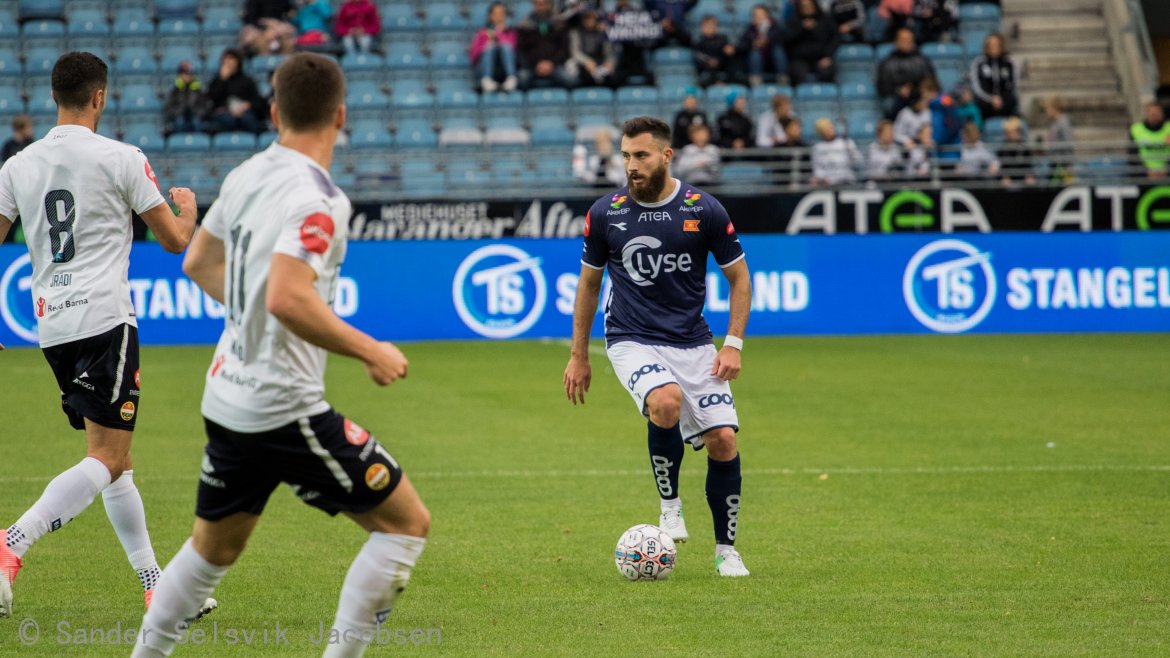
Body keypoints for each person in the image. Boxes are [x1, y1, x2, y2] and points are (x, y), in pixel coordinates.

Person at [132, 53, 429, 657]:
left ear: (273, 112)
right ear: (341, 116)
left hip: (227, 394)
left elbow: (196, 262)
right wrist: (370, 350)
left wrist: (248, 311)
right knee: (405, 525)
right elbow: (290, 298)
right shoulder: (320, 198)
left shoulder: (246, 172)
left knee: (213, 550)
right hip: (281, 406)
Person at [0, 51, 200, 620]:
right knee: (108, 458)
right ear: (101, 97)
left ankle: (154, 584)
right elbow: (175, 241)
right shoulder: (122, 157)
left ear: (53, 97)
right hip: (105, 320)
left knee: (117, 457)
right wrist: (186, 207)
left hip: (53, 326)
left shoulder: (18, 165)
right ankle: (12, 542)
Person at [563, 116, 752, 578]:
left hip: (693, 342)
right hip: (631, 338)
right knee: (664, 402)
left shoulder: (703, 209)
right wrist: (579, 354)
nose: (631, 165)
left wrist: (732, 345)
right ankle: (670, 506)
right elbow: (589, 286)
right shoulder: (605, 213)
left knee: (723, 440)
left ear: (667, 156)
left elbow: (739, 278)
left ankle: (726, 551)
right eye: (626, 156)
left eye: (641, 155)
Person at [876, 27, 935, 119]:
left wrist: (922, 92)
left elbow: (932, 82)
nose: (907, 43)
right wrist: (898, 91)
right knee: (888, 103)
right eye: (904, 40)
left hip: (920, 96)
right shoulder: (887, 63)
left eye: (910, 40)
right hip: (897, 98)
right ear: (896, 42)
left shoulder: (922, 61)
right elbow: (882, 87)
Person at [517, 0, 575, 89]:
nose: (540, 7)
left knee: (570, 80)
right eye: (537, 4)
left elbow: (564, 48)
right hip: (532, 66)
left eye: (543, 4)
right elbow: (521, 50)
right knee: (522, 79)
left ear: (549, 4)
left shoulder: (559, 23)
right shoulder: (525, 25)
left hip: (555, 65)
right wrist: (536, 64)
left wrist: (551, 63)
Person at [205, 49, 264, 134]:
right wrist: (222, 80)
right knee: (227, 121)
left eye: (231, 58)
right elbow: (211, 99)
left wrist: (248, 105)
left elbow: (257, 100)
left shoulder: (247, 80)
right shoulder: (216, 81)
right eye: (226, 59)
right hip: (224, 113)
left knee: (249, 120)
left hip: (244, 112)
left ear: (238, 61)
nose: (228, 62)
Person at [470, 2, 520, 92]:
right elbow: (474, 56)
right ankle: (487, 80)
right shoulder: (482, 33)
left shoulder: (511, 32)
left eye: (502, 13)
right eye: (496, 13)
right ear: (490, 16)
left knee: (505, 46)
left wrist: (499, 34)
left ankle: (511, 78)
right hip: (486, 69)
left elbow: (514, 50)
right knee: (490, 47)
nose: (499, 16)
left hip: (505, 69)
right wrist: (487, 46)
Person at [785, 0, 837, 84]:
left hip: (821, 57)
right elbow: (787, 39)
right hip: (799, 59)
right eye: (804, 6)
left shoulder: (825, 19)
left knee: (827, 72)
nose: (807, 8)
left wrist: (827, 56)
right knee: (796, 73)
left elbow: (834, 38)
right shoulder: (794, 20)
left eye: (809, 6)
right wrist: (801, 28)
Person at [969, 34, 1020, 119]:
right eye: (990, 45)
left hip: (1005, 102)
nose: (993, 47)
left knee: (1013, 101)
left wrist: (1002, 99)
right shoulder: (978, 63)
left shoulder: (1010, 62)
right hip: (986, 102)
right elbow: (977, 87)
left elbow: (1014, 85)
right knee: (978, 105)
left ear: (1001, 45)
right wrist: (991, 99)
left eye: (996, 44)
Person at [738, 4, 788, 87]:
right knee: (755, 51)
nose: (757, 17)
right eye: (755, 15)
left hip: (774, 61)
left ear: (766, 16)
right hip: (755, 62)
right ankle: (756, 82)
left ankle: (783, 79)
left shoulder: (776, 27)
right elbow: (741, 46)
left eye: (759, 15)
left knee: (777, 50)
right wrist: (752, 44)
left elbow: (784, 40)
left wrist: (767, 41)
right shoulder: (750, 29)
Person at [568, 10, 615, 88]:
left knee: (612, 76)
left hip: (599, 62)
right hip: (581, 63)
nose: (589, 21)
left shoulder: (602, 32)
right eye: (587, 18)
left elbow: (609, 52)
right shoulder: (576, 32)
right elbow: (575, 52)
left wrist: (609, 62)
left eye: (591, 18)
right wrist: (587, 62)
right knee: (571, 75)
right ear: (583, 20)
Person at [810, 117, 860, 185]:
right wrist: (823, 178)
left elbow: (858, 162)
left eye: (831, 127)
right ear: (821, 132)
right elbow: (817, 169)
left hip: (847, 182)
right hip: (827, 184)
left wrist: (852, 153)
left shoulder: (847, 143)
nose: (830, 130)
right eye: (826, 129)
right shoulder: (817, 148)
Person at [163, 61, 209, 136]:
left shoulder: (198, 90)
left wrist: (197, 112)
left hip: (195, 114)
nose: (187, 76)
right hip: (179, 115)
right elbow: (169, 107)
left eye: (189, 74)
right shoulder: (175, 90)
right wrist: (178, 111)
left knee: (197, 122)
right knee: (179, 122)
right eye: (184, 73)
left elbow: (204, 106)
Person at [693, 15, 739, 88]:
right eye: (707, 25)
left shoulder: (722, 39)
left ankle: (730, 83)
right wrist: (709, 61)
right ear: (702, 27)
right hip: (707, 68)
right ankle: (715, 83)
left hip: (722, 65)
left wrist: (729, 50)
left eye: (712, 25)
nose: (710, 28)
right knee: (709, 66)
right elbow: (698, 55)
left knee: (732, 61)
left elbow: (728, 51)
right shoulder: (699, 41)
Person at [1129, 101, 1170, 178]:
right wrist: (1146, 171)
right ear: (1146, 114)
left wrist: (1166, 170)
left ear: (1162, 114)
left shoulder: (1169, 128)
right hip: (1144, 174)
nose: (1154, 116)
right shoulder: (1136, 129)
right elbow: (1132, 154)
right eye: (1151, 113)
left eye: (1157, 113)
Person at [1041, 95, 1073, 181]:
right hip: (1054, 162)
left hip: (1061, 164)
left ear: (1054, 108)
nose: (1046, 111)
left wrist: (1067, 165)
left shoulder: (1063, 122)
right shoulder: (1053, 122)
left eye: (1047, 108)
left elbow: (1068, 143)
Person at [997, 116, 1035, 186]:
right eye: (1007, 132)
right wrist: (1005, 176)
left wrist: (1029, 176)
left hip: (1022, 176)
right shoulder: (1002, 149)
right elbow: (1002, 166)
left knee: (1031, 182)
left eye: (1012, 132)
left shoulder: (1024, 148)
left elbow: (1028, 166)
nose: (1009, 134)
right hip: (1008, 177)